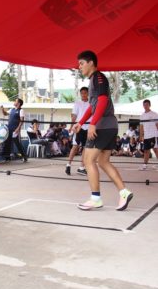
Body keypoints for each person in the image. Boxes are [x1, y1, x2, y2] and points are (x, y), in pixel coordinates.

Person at [73, 50, 133, 211]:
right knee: (103, 162)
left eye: (81, 63)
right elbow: (93, 107)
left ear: (91, 62)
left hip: (103, 125)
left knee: (88, 161)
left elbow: (102, 100)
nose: (79, 67)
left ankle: (95, 198)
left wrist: (93, 124)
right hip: (109, 125)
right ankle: (124, 192)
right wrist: (81, 122)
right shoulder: (94, 80)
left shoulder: (98, 78)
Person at [65, 87, 90, 176]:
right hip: (79, 127)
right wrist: (71, 126)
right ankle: (68, 165)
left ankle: (81, 167)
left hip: (88, 127)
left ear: (88, 93)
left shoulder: (91, 103)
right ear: (80, 94)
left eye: (85, 93)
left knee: (85, 148)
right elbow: (74, 116)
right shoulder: (77, 103)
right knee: (75, 146)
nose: (83, 94)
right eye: (82, 93)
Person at [139, 99, 158, 170]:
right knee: (146, 150)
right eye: (144, 105)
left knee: (156, 150)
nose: (145, 106)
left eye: (147, 105)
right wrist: (141, 136)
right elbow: (141, 127)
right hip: (146, 136)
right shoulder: (142, 116)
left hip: (154, 134)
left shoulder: (154, 114)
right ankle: (145, 165)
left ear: (149, 105)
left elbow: (157, 125)